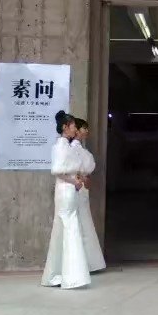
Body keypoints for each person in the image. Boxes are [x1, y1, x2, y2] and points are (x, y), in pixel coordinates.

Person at [41, 111, 91, 290]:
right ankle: (71, 276)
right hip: (65, 190)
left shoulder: (66, 146)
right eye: (73, 126)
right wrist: (74, 181)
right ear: (65, 127)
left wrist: (77, 179)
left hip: (70, 189)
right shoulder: (60, 146)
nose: (75, 129)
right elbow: (58, 171)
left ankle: (60, 274)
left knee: (65, 228)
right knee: (70, 227)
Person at [71, 118, 107, 273]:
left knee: (84, 222)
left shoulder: (79, 148)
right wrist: (81, 177)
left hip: (82, 187)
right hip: (77, 186)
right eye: (84, 128)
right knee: (81, 223)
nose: (87, 131)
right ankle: (82, 262)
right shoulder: (73, 148)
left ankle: (87, 262)